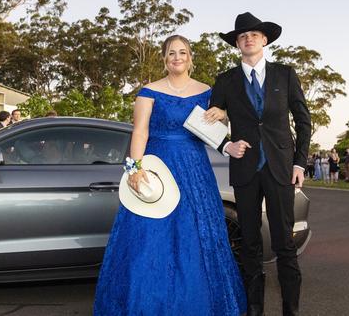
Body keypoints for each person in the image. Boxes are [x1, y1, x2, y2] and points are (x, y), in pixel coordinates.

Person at [94, 35, 246, 315]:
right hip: (158, 168)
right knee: (150, 235)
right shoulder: (148, 91)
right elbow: (140, 131)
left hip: (195, 171)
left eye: (183, 52)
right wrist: (135, 169)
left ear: (190, 58)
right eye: (172, 53)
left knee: (198, 234)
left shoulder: (207, 92)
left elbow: (214, 129)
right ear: (164, 58)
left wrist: (223, 120)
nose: (177, 57)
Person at [206, 12, 311, 316]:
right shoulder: (225, 81)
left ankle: (291, 310)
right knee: (250, 244)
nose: (248, 38)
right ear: (237, 44)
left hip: (280, 171)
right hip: (244, 172)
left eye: (254, 34)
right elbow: (207, 121)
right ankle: (254, 310)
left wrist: (300, 164)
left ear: (264, 40)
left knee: (284, 245)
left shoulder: (285, 74)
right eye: (242, 36)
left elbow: (304, 122)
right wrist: (226, 144)